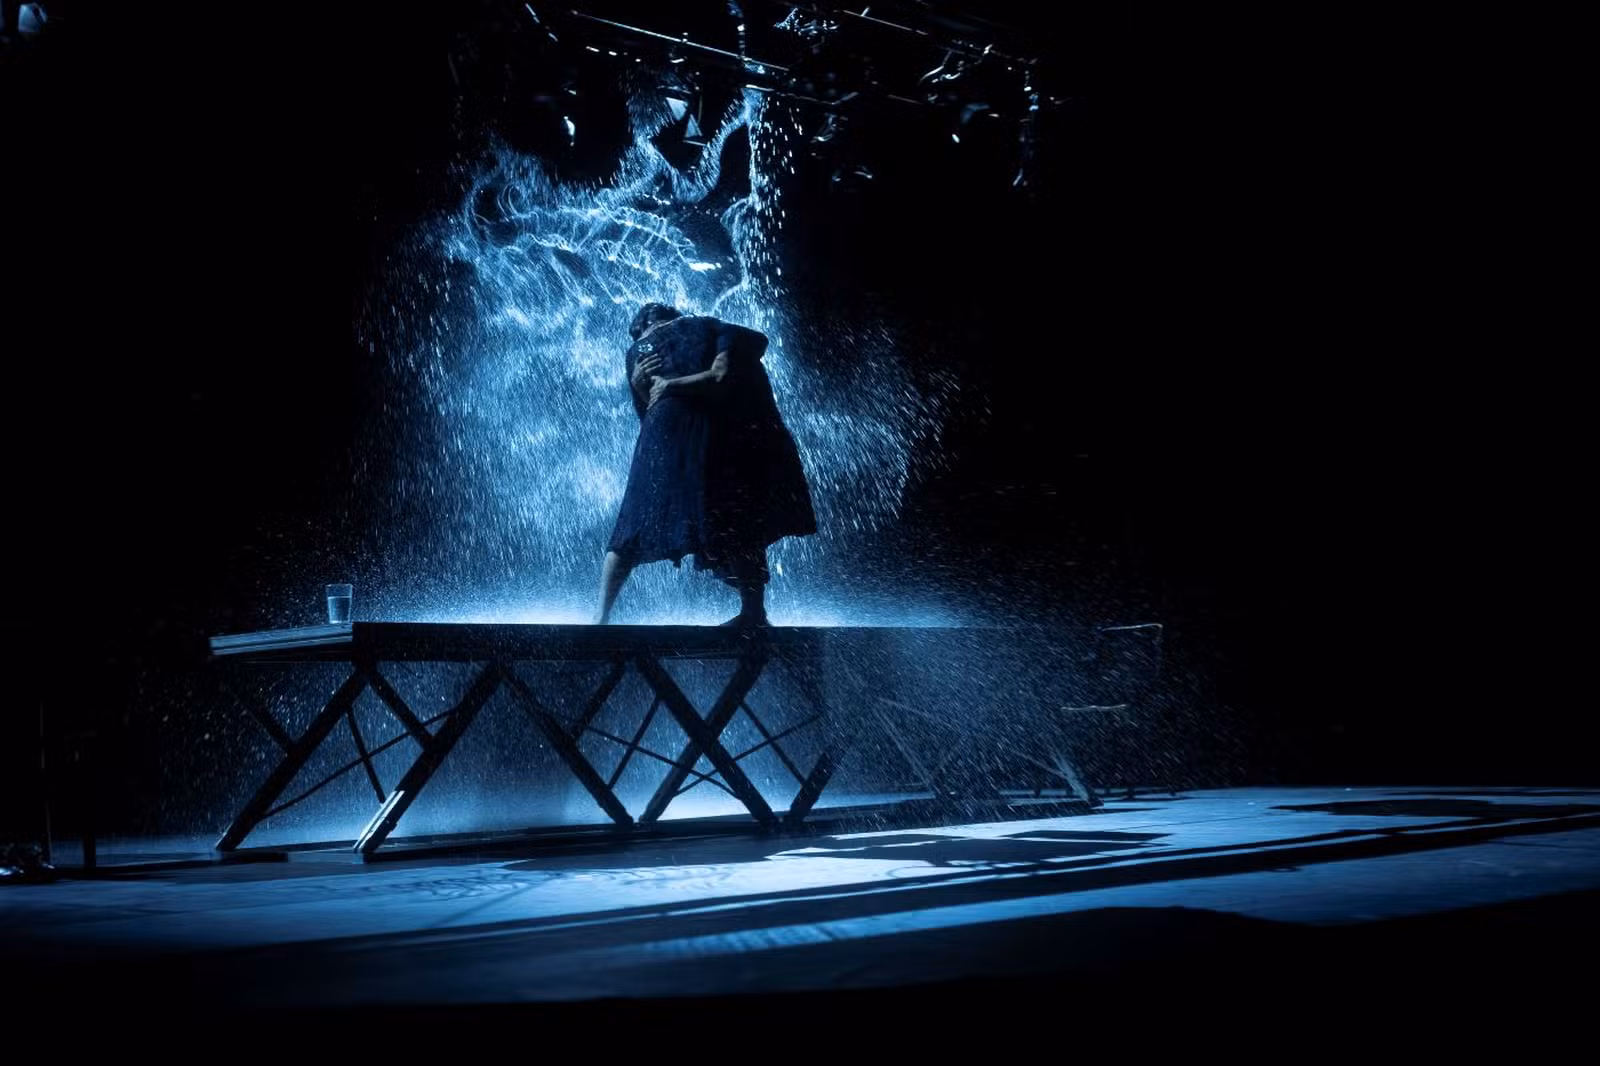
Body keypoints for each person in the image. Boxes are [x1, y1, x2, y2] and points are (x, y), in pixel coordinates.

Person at [596, 302, 817, 626]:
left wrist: (643, 384)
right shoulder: (713, 327)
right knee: (734, 517)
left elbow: (650, 411)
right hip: (711, 432)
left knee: (632, 520)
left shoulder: (638, 352)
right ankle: (753, 611)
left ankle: (600, 615)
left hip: (664, 432)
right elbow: (734, 367)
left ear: (643, 326)